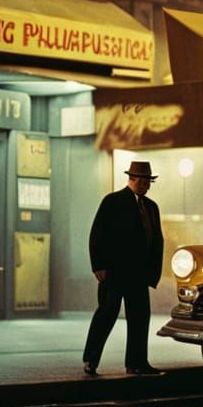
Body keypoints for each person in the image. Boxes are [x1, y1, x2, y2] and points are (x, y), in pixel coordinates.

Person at [82, 160, 165, 376]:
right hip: (114, 272)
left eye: (149, 182)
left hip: (138, 274)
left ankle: (137, 363)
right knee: (107, 313)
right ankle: (90, 359)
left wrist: (153, 272)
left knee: (140, 317)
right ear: (133, 179)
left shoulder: (151, 207)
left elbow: (157, 240)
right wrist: (98, 266)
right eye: (144, 181)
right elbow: (97, 235)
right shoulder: (112, 201)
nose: (147, 185)